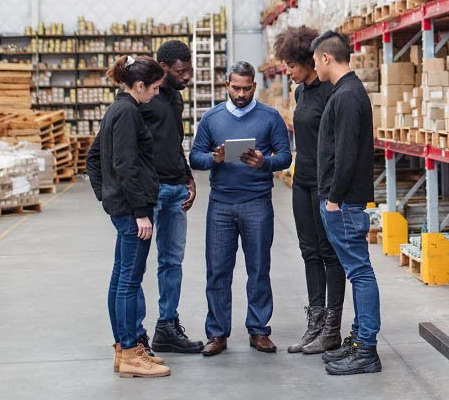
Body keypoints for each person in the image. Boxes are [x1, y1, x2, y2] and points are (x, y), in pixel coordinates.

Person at [189, 61, 292, 357]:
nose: (242, 94)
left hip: (257, 202)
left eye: (247, 88)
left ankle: (259, 330)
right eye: (236, 88)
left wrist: (265, 162)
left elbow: (284, 155)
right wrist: (215, 159)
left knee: (258, 268)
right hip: (221, 204)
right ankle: (217, 333)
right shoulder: (211, 119)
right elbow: (195, 158)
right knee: (218, 270)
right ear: (226, 85)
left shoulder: (270, 118)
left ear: (254, 86)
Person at [86, 55, 171, 379]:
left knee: (121, 278)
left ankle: (124, 350)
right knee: (129, 281)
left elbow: (94, 158)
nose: (156, 94)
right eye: (154, 88)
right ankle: (131, 351)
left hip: (122, 206)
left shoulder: (117, 110)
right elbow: (125, 164)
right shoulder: (128, 113)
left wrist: (106, 193)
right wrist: (138, 211)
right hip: (131, 211)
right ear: (139, 85)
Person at [312, 30, 382, 376]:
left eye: (315, 59)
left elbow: (347, 153)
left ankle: (366, 348)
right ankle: (358, 340)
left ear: (326, 58)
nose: (314, 66)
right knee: (358, 271)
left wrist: (335, 199)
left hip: (346, 203)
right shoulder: (345, 93)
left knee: (360, 272)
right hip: (343, 201)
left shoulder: (348, 96)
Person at [272, 26, 342, 355]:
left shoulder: (331, 93)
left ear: (307, 60)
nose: (288, 71)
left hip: (324, 184)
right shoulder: (300, 94)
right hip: (301, 181)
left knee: (329, 254)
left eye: (291, 64)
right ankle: (314, 324)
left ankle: (331, 329)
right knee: (309, 252)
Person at [141, 40, 205, 354]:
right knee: (136, 265)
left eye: (189, 71)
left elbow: (175, 142)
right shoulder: (142, 99)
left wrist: (188, 177)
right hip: (149, 192)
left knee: (172, 262)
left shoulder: (175, 98)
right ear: (164, 68)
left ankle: (167, 326)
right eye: (181, 72)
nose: (187, 78)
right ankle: (135, 335)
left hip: (175, 190)